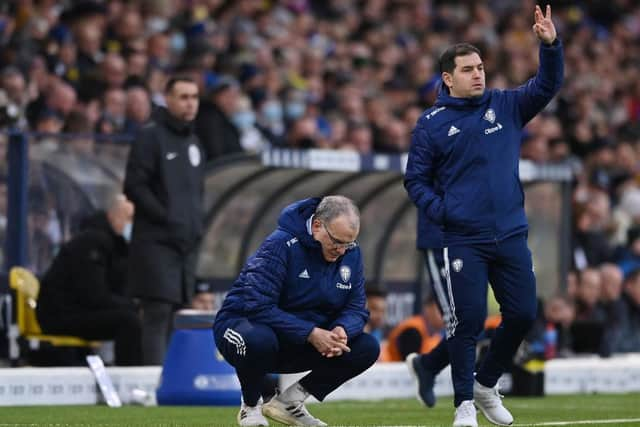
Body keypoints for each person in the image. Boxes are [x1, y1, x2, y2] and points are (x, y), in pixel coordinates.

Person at [403, 5, 563, 427]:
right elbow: (415, 181)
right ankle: (464, 406)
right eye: (468, 69)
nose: (478, 74)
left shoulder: (506, 105)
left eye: (480, 67)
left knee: (524, 313)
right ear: (448, 78)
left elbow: (547, 85)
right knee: (466, 321)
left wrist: (550, 46)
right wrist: (447, 213)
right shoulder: (431, 124)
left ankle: (485, 383)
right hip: (463, 239)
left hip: (510, 233)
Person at [213, 196, 379, 427]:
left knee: (366, 347)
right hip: (242, 327)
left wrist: (341, 329)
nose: (341, 250)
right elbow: (258, 306)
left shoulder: (351, 253)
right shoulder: (280, 244)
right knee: (259, 340)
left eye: (348, 244)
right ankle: (250, 407)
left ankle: (289, 403)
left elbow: (356, 308)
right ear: (318, 225)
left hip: (297, 339)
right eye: (336, 241)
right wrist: (311, 333)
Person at [124, 75, 205, 365]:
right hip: (156, 241)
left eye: (194, 97)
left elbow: (196, 193)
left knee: (176, 313)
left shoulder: (194, 142)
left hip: (185, 243)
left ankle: (168, 381)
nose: (190, 103)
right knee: (157, 311)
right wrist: (167, 218)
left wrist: (196, 226)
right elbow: (134, 186)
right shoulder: (150, 136)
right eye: (183, 97)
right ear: (168, 100)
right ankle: (152, 382)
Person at [36, 194, 142, 366]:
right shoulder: (92, 242)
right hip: (61, 315)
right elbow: (94, 295)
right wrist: (134, 307)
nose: (133, 224)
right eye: (129, 218)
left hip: (77, 311)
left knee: (133, 318)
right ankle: (129, 377)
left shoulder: (117, 247)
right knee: (129, 322)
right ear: (112, 216)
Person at [382, 295, 444, 362]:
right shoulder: (413, 330)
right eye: (441, 309)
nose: (445, 314)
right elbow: (409, 365)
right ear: (428, 308)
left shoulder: (437, 336)